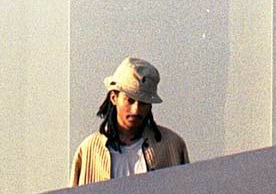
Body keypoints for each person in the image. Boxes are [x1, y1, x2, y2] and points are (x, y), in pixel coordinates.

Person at [69, 57, 189, 186]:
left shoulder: (172, 145)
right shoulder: (89, 150)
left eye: (143, 103)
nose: (136, 109)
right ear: (114, 98)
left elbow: (187, 193)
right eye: (130, 100)